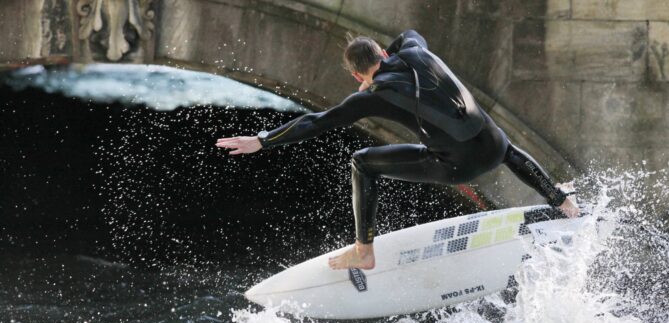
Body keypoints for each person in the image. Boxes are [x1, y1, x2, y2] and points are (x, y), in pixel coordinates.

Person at [216, 30, 578, 270]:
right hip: (495, 147)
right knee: (503, 143)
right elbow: (408, 33)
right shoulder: (416, 50)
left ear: (358, 76)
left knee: (362, 163)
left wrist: (262, 140)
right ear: (383, 52)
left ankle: (363, 251)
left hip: (457, 167)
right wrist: (392, 50)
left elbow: (316, 121)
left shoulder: (373, 95)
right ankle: (561, 201)